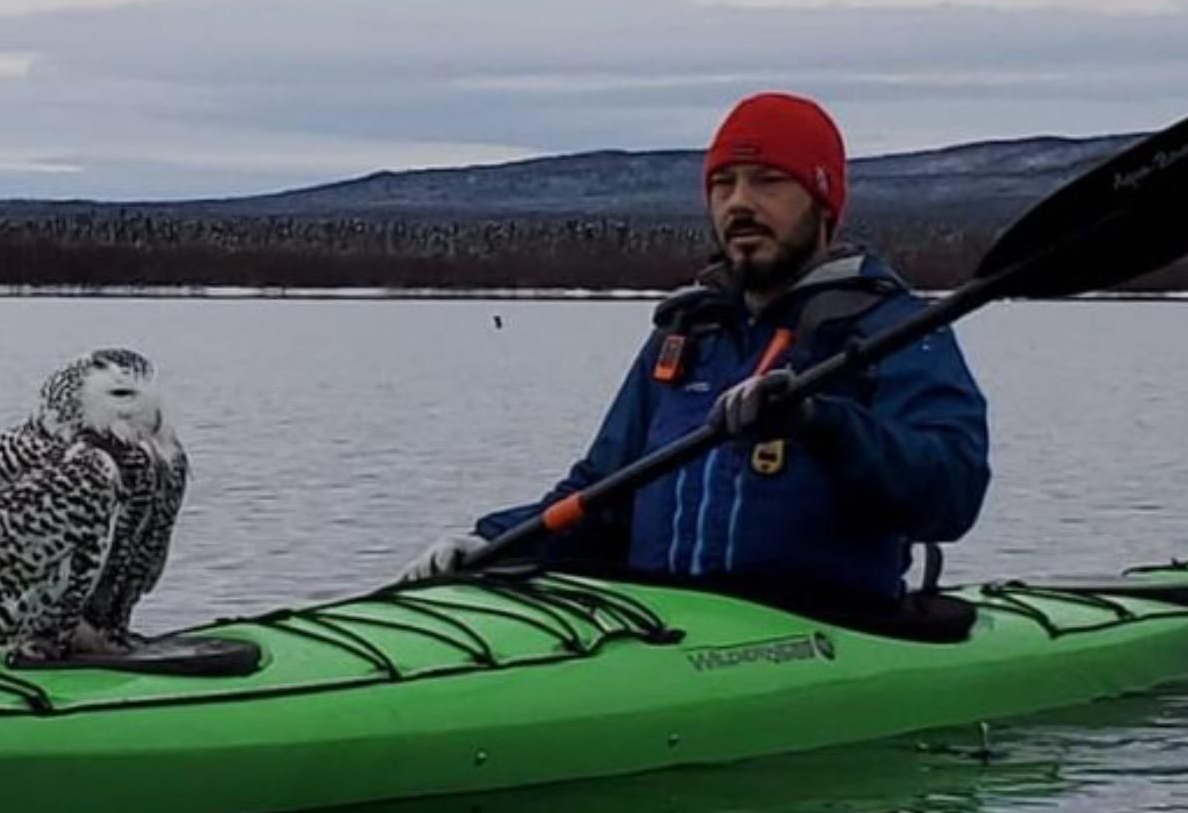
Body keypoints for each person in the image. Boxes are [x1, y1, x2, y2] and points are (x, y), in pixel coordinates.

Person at [400, 91, 989, 610]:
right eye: (723, 184)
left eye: (768, 181)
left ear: (823, 202)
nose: (740, 203)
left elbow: (953, 494)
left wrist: (822, 423)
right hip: (667, 633)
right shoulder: (687, 333)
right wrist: (493, 542)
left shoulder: (894, 328)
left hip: (822, 632)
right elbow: (602, 492)